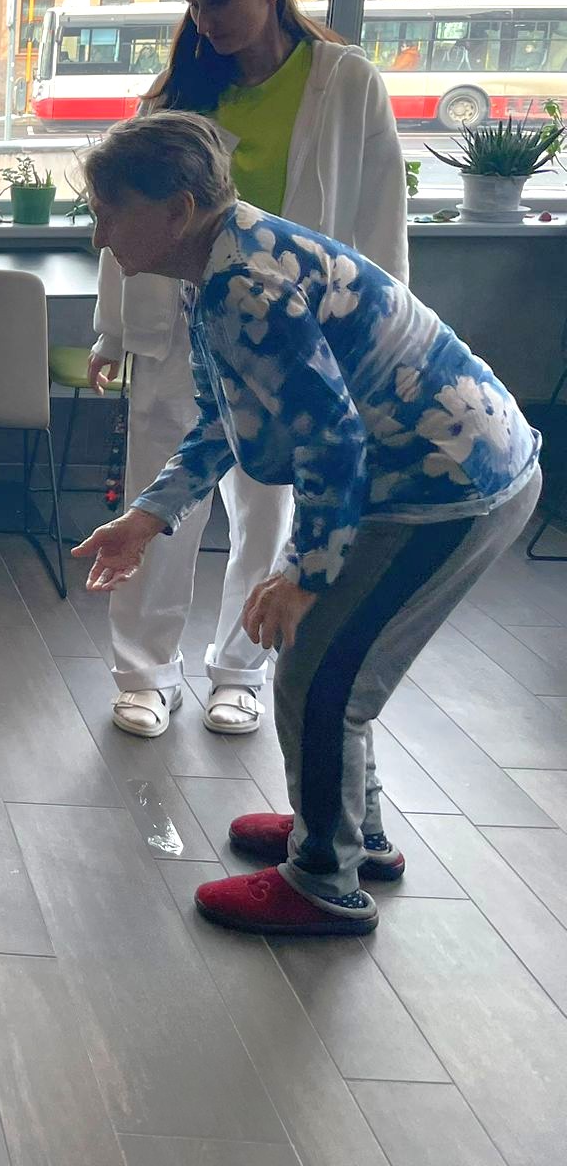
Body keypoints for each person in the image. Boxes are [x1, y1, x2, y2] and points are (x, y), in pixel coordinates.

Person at [73, 113, 541, 935]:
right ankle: (356, 835)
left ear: (177, 210)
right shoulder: (217, 263)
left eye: (112, 212)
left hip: (449, 487)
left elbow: (332, 441)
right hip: (436, 475)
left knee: (321, 678)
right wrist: (147, 518)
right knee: (332, 668)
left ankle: (324, 878)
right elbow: (226, 417)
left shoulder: (245, 286)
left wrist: (302, 575)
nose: (99, 233)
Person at [87, 0, 409, 740]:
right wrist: (112, 332)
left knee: (267, 509)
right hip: (176, 325)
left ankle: (240, 669)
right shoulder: (180, 92)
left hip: (291, 334)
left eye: (220, 0)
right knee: (161, 499)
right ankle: (144, 672)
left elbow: (379, 220)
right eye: (194, 5)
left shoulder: (344, 84)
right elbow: (122, 219)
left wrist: (372, 346)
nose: (205, 21)